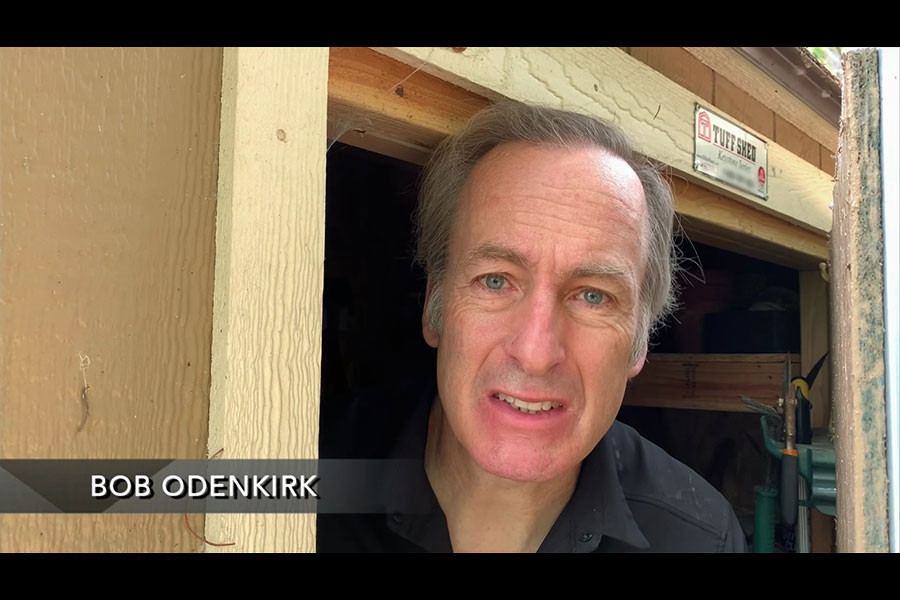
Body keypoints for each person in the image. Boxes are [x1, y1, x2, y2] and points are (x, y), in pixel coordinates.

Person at [318, 102, 747, 553]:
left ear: (639, 341)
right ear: (434, 308)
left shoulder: (701, 538)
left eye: (593, 295)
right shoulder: (298, 475)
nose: (535, 353)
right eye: (495, 281)